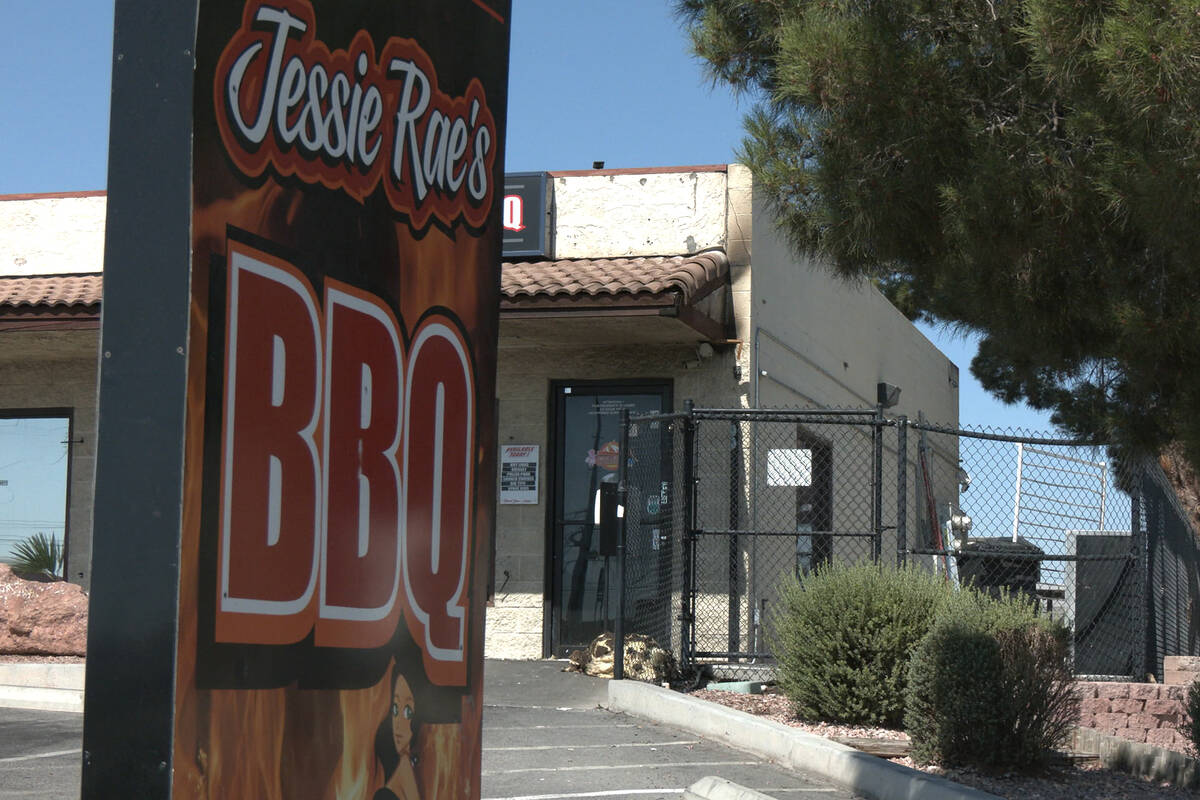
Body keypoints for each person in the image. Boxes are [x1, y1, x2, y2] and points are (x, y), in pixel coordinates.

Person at [373, 664, 420, 800]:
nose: (397, 724)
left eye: (407, 712)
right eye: (395, 709)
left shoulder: (406, 769)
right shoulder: (405, 768)